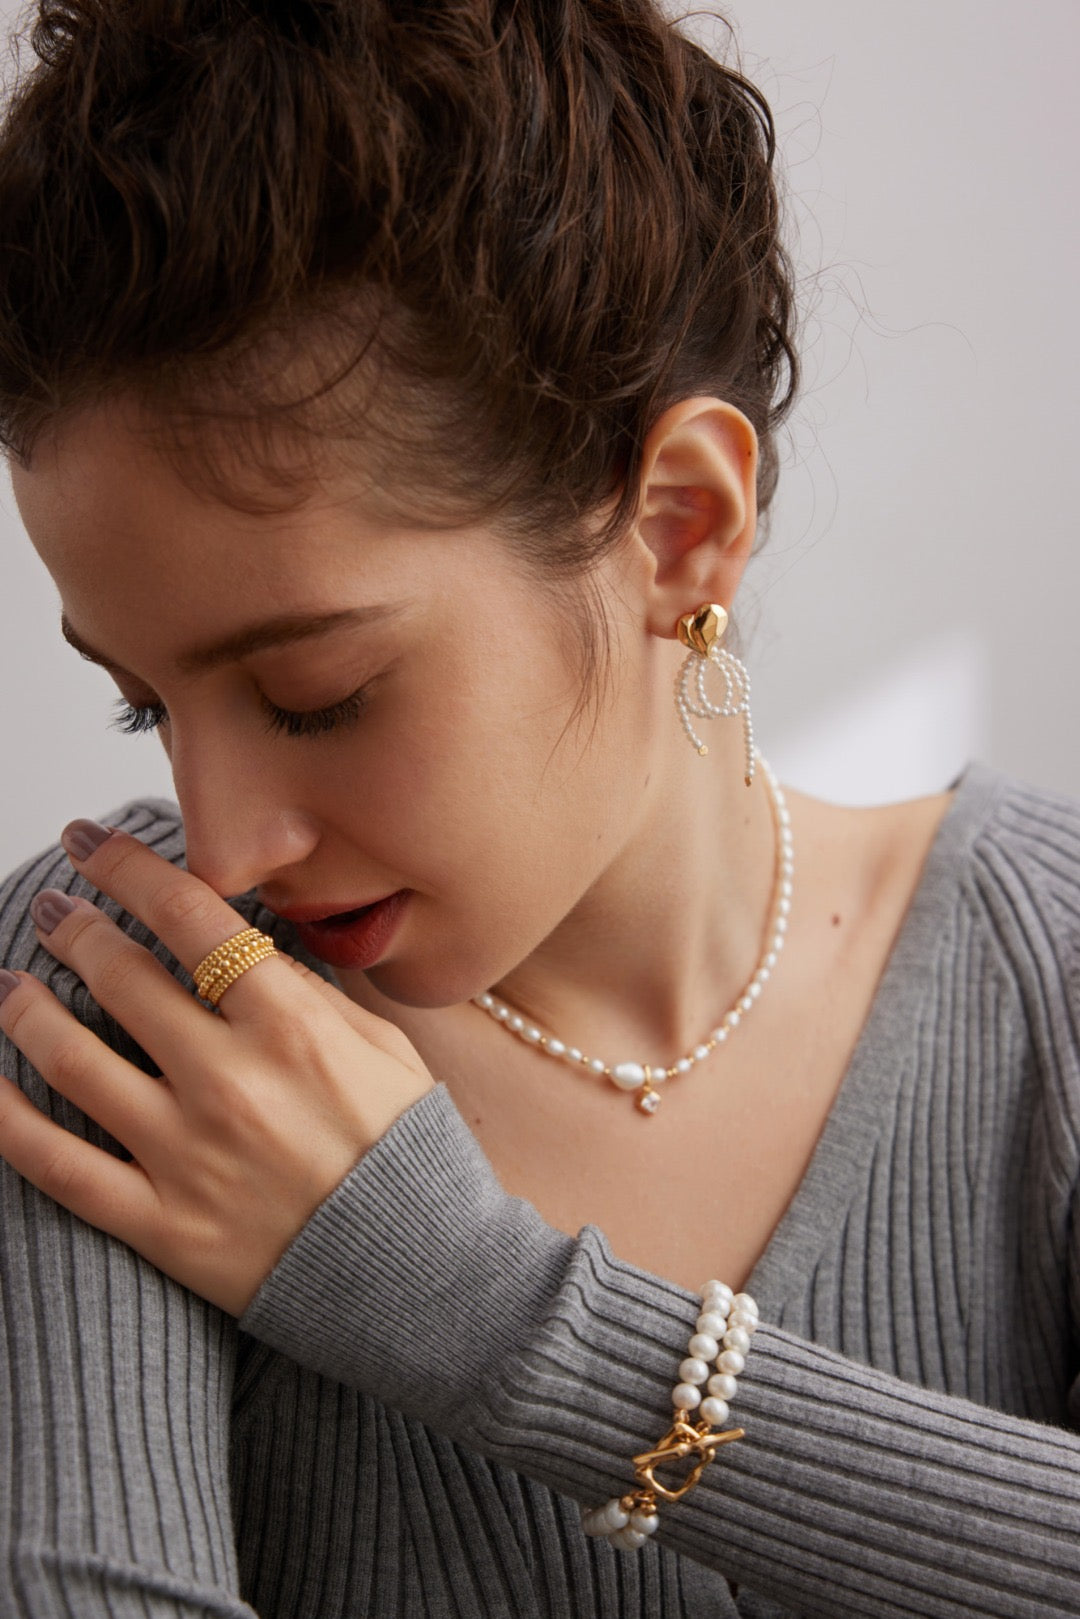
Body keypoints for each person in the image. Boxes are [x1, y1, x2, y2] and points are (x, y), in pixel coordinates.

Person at [0, 2, 1077, 1615]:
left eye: (316, 695)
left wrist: (487, 1315)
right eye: (147, 702)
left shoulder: (1046, 970)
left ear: (679, 526)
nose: (225, 847)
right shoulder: (135, 1003)